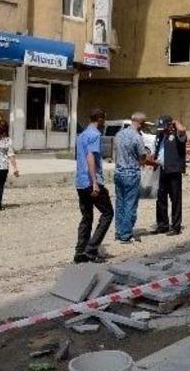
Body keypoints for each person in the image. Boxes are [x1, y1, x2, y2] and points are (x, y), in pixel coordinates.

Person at [74, 109, 114, 264]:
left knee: (87, 217)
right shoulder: (95, 135)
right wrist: (95, 183)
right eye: (104, 118)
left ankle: (80, 252)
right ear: (99, 119)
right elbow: (90, 156)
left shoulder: (82, 135)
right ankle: (91, 251)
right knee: (108, 213)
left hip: (80, 182)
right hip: (91, 182)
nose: (104, 121)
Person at [114, 112, 158, 244]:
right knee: (130, 204)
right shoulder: (137, 138)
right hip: (131, 174)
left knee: (120, 203)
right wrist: (155, 163)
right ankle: (126, 235)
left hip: (118, 173)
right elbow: (143, 159)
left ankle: (119, 231)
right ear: (141, 123)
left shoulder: (119, 134)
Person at [154, 115, 187, 236]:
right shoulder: (161, 136)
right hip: (162, 170)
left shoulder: (177, 136)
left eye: (164, 127)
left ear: (170, 125)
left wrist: (175, 122)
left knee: (175, 200)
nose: (162, 130)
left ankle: (175, 226)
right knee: (161, 199)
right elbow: (158, 151)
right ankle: (162, 225)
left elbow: (183, 131)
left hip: (174, 171)